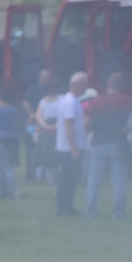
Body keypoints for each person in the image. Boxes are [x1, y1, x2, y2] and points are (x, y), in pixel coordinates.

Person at [83, 72, 132, 218]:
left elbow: (86, 124)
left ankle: (91, 211)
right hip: (118, 143)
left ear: (108, 84)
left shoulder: (96, 101)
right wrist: (131, 127)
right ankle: (119, 211)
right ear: (122, 85)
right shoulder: (126, 99)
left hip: (98, 143)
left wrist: (90, 133)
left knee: (94, 178)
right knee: (118, 179)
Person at [55, 72, 89, 217]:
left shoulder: (71, 100)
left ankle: (65, 207)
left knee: (69, 179)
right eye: (83, 84)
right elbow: (69, 126)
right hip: (69, 148)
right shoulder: (70, 102)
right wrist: (74, 148)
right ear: (74, 85)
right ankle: (64, 208)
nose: (85, 87)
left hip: (69, 147)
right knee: (68, 179)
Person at [22, 69, 51, 180]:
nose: (46, 78)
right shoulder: (33, 88)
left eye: (47, 76)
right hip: (33, 123)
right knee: (31, 149)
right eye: (44, 76)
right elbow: (25, 102)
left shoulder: (50, 90)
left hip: (46, 123)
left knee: (44, 148)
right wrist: (31, 114)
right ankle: (30, 173)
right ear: (39, 77)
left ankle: (42, 174)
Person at [35, 81, 63, 185]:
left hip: (59, 129)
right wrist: (46, 126)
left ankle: (59, 177)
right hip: (46, 130)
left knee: (58, 153)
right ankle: (53, 179)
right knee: (47, 155)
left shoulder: (62, 99)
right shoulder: (43, 101)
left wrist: (56, 126)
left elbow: (64, 114)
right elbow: (39, 116)